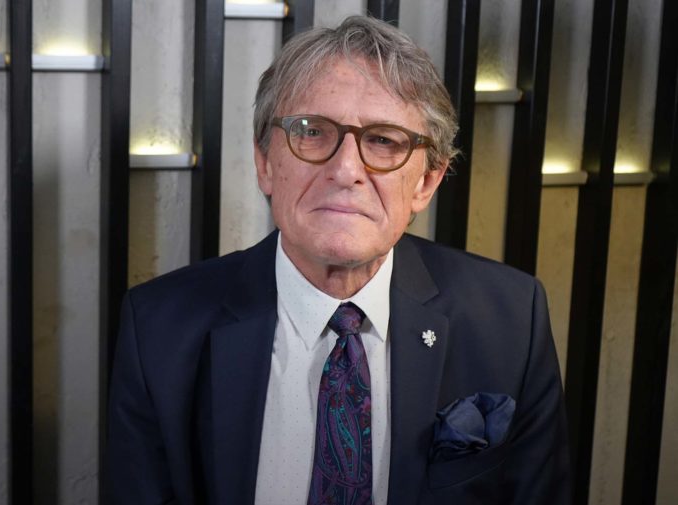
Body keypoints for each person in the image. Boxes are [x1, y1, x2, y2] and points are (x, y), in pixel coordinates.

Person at [106, 15, 570, 505]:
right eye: (312, 132)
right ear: (265, 163)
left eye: (384, 140)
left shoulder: (512, 321)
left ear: (427, 182)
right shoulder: (158, 328)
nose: (346, 170)